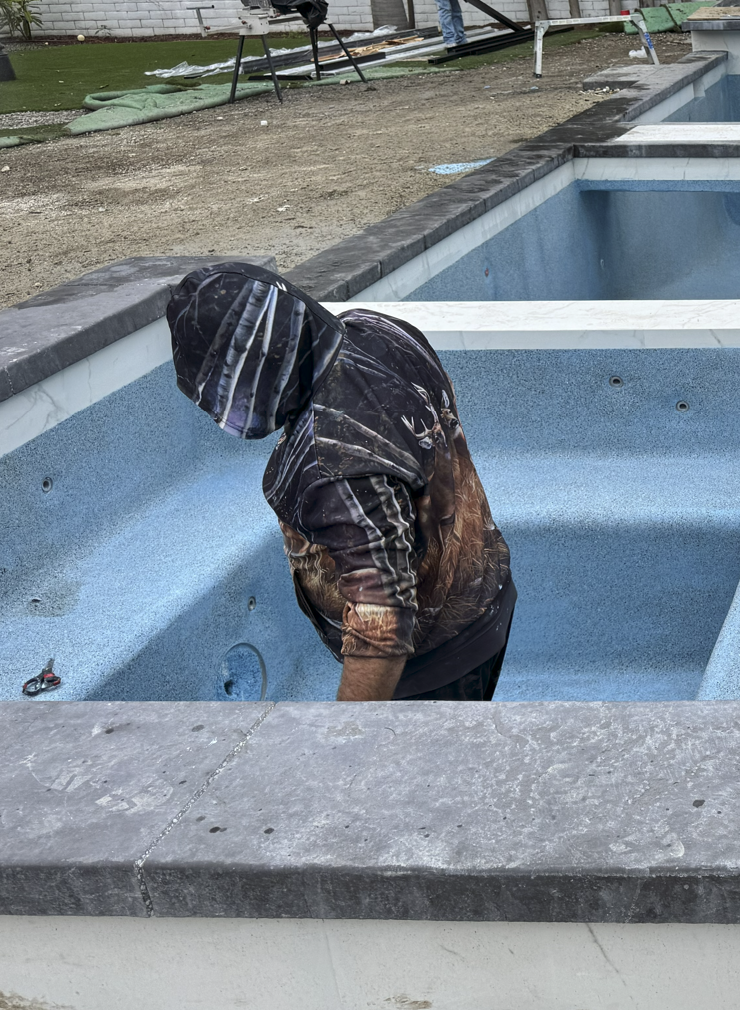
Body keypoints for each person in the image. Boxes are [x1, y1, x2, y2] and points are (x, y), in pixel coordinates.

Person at [165, 264, 516, 702]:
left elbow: (383, 622)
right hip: (486, 593)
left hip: (431, 661)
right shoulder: (376, 328)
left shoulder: (330, 459)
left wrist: (345, 738)